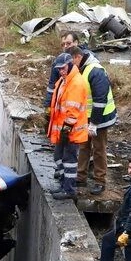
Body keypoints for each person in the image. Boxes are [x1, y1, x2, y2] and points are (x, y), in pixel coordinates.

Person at [72, 47, 116, 196]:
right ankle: (81, 177)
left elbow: (100, 100)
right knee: (83, 146)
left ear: (78, 57)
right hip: (87, 116)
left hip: (100, 117)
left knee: (98, 149)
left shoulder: (95, 71)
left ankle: (100, 181)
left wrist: (94, 124)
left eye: (73, 61)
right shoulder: (82, 69)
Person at [48, 47, 90, 200]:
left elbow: (72, 111)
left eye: (63, 68)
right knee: (59, 157)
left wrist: (66, 130)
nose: (61, 71)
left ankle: (69, 190)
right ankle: (64, 184)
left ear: (70, 65)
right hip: (64, 130)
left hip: (71, 132)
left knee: (69, 161)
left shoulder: (76, 84)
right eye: (59, 69)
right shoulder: (65, 81)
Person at [43, 31, 87, 109]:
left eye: (68, 43)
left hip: (84, 108)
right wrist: (48, 105)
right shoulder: (58, 62)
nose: (65, 46)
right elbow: (52, 85)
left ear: (76, 42)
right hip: (66, 106)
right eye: (63, 44)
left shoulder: (85, 59)